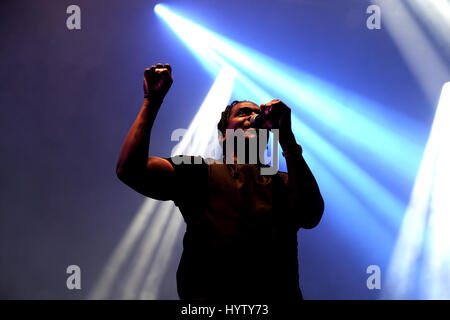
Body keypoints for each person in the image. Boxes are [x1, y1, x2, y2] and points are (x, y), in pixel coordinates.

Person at [116, 63, 324, 301]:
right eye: (243, 113)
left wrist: (286, 138)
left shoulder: (288, 181)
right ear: (224, 134)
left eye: (257, 115)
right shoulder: (199, 171)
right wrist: (151, 101)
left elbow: (310, 215)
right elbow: (130, 170)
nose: (253, 118)